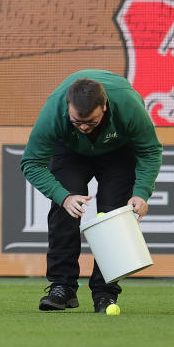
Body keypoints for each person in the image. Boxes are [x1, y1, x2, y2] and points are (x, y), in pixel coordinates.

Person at [20, 70, 163, 313]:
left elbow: (150, 151)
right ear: (68, 108)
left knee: (115, 217)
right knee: (65, 210)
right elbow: (31, 163)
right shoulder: (54, 111)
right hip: (70, 151)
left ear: (104, 107)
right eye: (78, 121)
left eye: (91, 121)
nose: (84, 127)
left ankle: (105, 293)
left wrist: (141, 193)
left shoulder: (128, 105)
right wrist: (63, 196)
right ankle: (62, 287)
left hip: (118, 152)